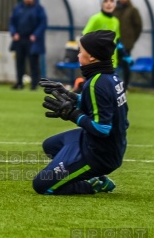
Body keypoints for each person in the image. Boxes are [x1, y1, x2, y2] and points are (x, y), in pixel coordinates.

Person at [34, 30, 129, 195]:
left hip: (99, 155)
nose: (78, 55)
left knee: (42, 185)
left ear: (91, 57)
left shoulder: (96, 83)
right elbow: (99, 105)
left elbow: (102, 129)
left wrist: (73, 114)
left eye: (80, 51)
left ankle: (94, 184)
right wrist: (69, 95)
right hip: (93, 142)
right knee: (50, 146)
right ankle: (91, 175)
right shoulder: (110, 78)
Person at [82, 0, 132, 69]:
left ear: (115, 4)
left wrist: (125, 55)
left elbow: (117, 41)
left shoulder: (116, 21)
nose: (109, 4)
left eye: (111, 1)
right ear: (101, 4)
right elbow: (84, 37)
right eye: (105, 1)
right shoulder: (96, 19)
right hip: (97, 62)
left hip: (112, 63)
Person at [9, 0, 47, 90]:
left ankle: (34, 84)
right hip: (20, 38)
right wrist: (14, 33)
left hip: (32, 40)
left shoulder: (38, 9)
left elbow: (43, 23)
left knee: (33, 62)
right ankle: (19, 83)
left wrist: (35, 35)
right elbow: (12, 22)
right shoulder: (18, 8)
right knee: (19, 62)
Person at [113, 0, 143, 88]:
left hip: (126, 44)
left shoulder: (133, 10)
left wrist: (132, 39)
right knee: (113, 64)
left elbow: (138, 26)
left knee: (126, 64)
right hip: (114, 42)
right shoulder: (115, 9)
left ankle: (125, 85)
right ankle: (115, 85)